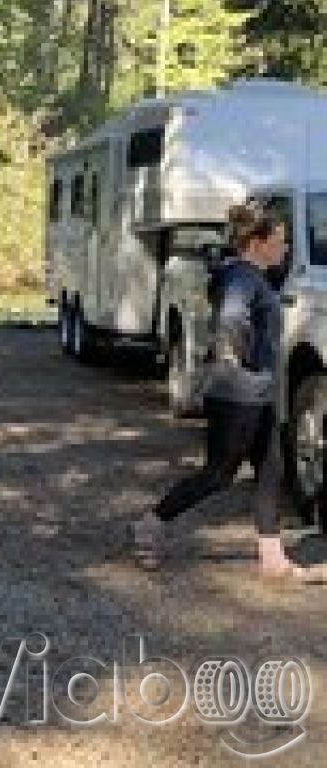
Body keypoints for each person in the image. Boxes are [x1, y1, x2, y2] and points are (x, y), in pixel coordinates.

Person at [132, 200, 324, 581]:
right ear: (258, 242)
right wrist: (241, 357)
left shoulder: (251, 275)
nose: (284, 249)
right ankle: (148, 526)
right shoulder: (242, 278)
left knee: (271, 471)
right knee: (218, 475)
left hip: (259, 394)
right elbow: (232, 319)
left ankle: (274, 561)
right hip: (238, 396)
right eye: (280, 241)